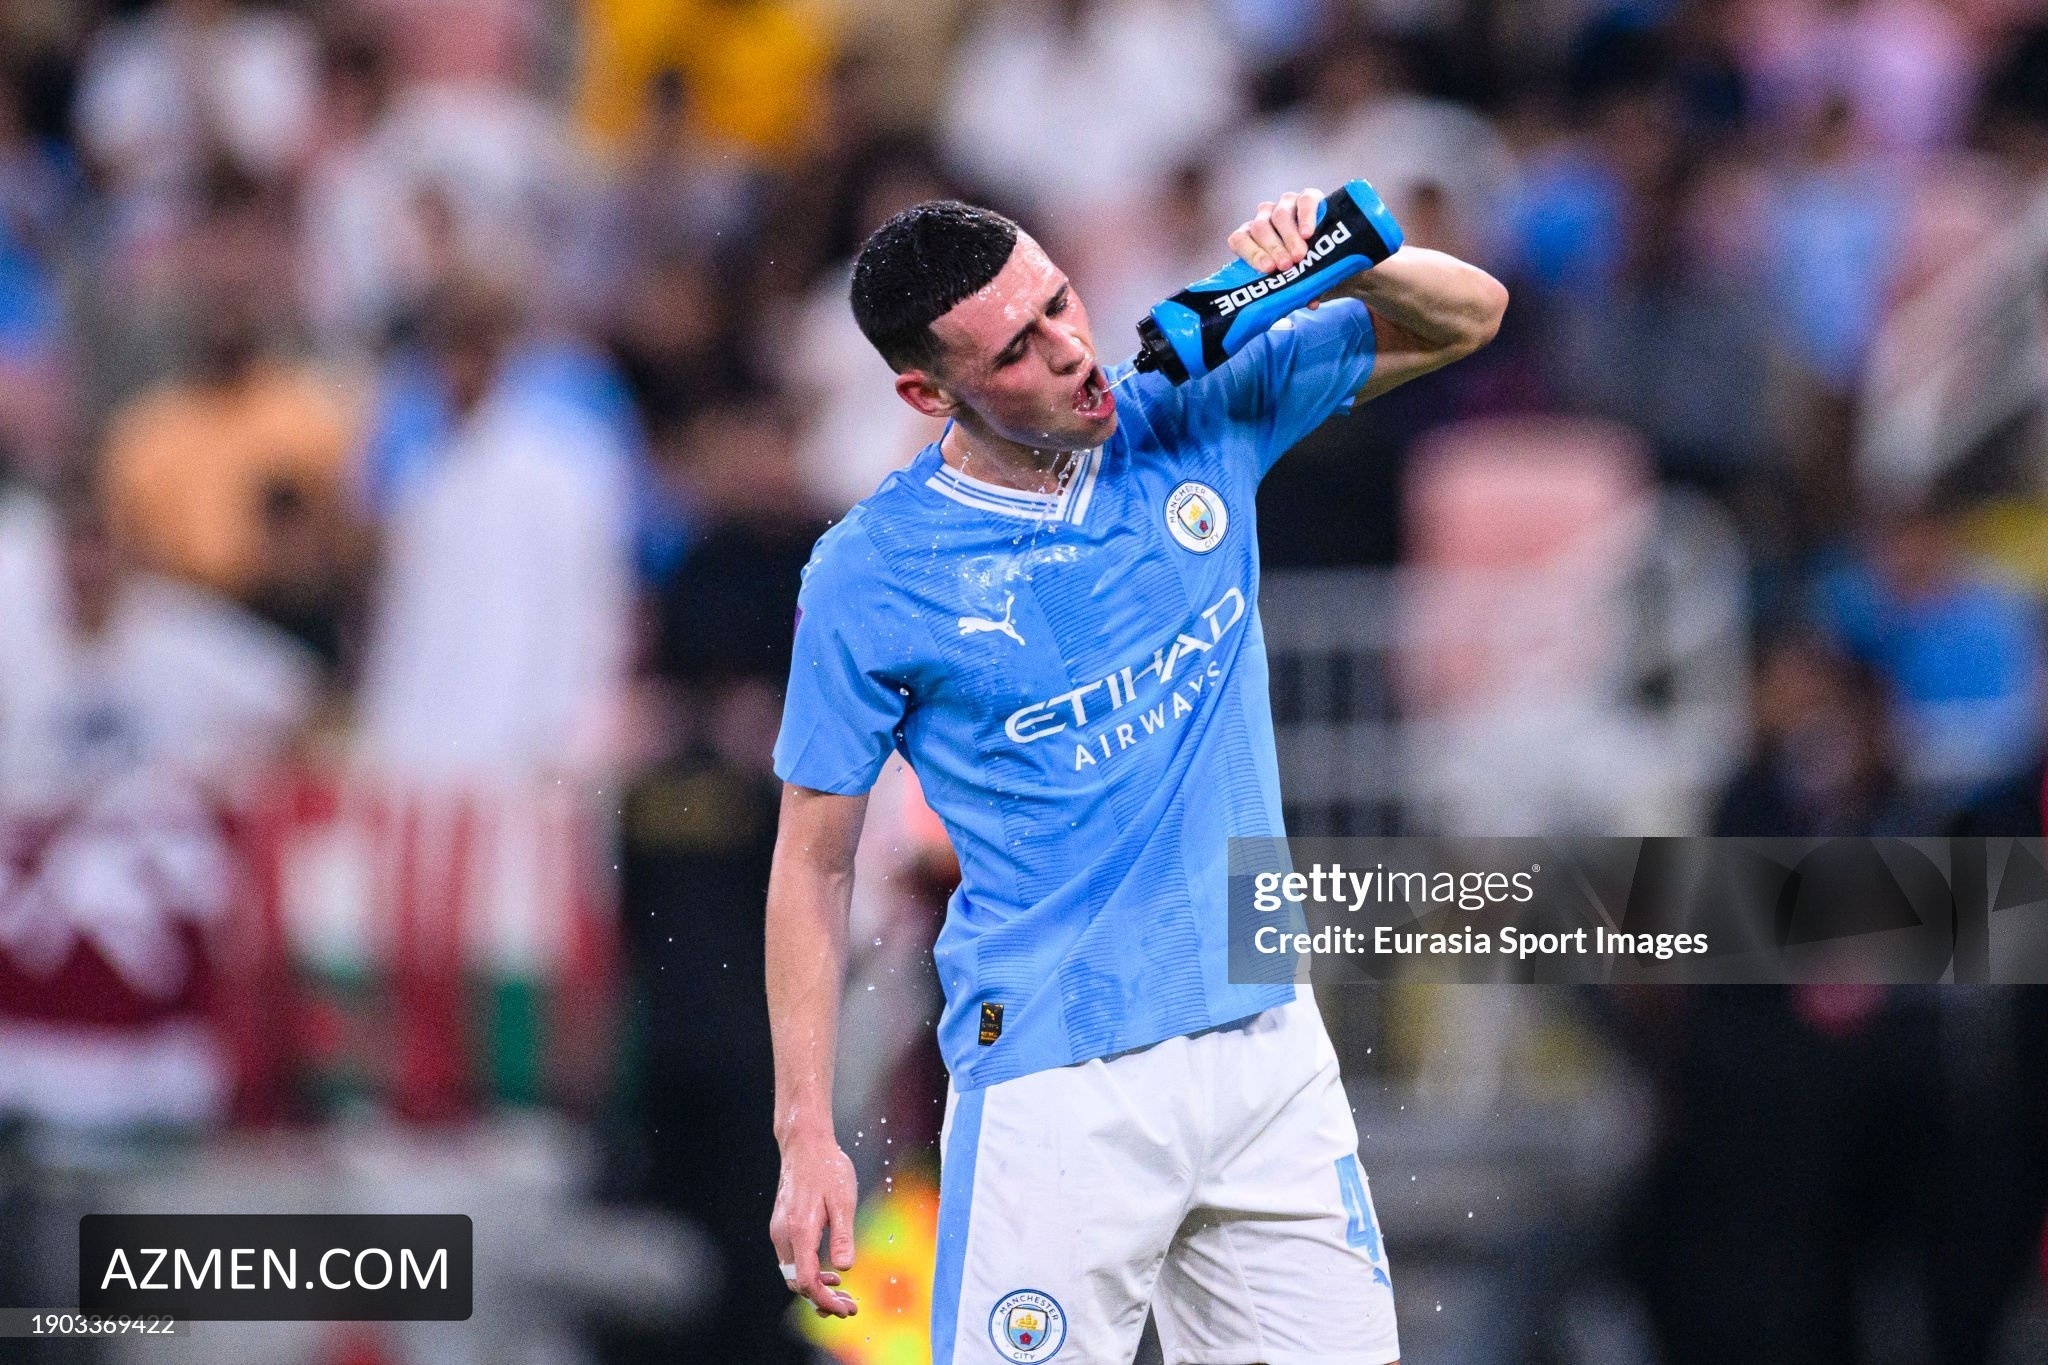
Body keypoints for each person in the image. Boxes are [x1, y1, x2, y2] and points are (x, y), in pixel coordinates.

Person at [765, 186, 1506, 1363]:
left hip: (1264, 1044)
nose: (1069, 349)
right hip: (1058, 1081)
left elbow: (1469, 316)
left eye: (1058, 303)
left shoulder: (1190, 404)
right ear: (926, 394)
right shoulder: (869, 577)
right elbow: (813, 862)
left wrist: (1346, 257)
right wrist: (806, 1131)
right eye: (1015, 350)